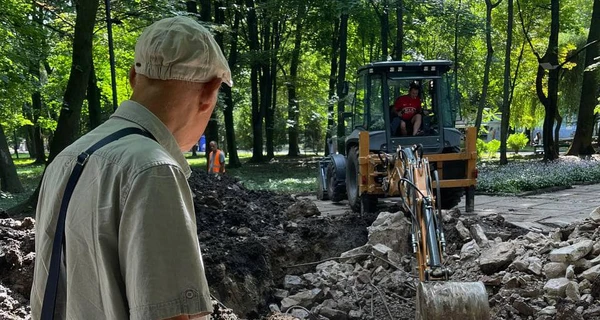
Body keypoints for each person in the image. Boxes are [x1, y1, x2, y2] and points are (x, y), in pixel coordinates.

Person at [30, 16, 232, 320]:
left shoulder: (66, 159)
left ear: (133, 78)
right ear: (209, 92)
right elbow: (170, 316)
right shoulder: (153, 169)